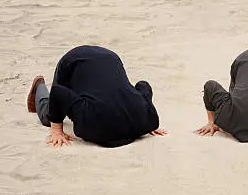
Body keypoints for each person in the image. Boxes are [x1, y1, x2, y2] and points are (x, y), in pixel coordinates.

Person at [26, 45, 167, 147]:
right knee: (49, 117)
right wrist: (56, 130)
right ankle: (39, 86)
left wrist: (145, 119)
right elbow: (58, 92)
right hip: (72, 63)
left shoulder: (147, 118)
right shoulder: (89, 119)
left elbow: (143, 85)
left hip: (110, 57)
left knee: (66, 107)